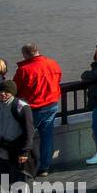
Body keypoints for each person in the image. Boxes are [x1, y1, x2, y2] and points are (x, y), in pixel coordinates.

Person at [12, 43, 61, 177]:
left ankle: (25, 167)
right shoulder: (53, 63)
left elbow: (15, 90)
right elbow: (58, 80)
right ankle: (44, 167)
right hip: (52, 105)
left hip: (32, 108)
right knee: (47, 137)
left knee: (24, 137)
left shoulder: (24, 70)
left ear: (25, 54)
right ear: (38, 51)